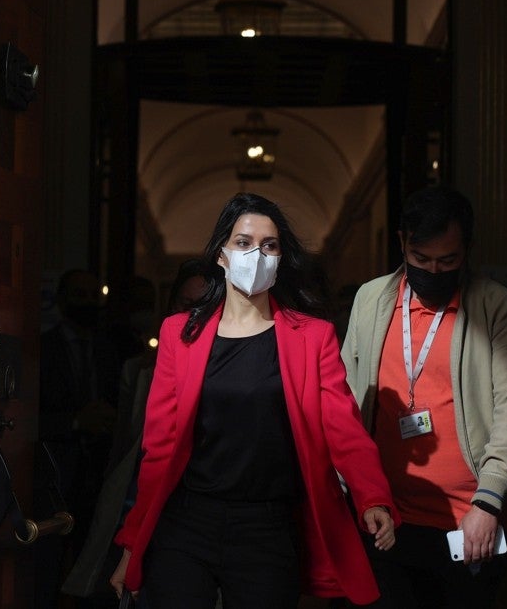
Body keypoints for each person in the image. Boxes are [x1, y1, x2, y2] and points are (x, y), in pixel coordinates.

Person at [109, 192, 400, 608]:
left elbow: (343, 428)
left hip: (266, 526)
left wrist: (372, 497)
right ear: (221, 255)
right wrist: (131, 545)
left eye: (270, 245)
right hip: (187, 521)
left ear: (281, 258)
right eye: (244, 243)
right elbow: (159, 447)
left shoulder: (312, 337)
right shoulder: (180, 334)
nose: (257, 255)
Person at [341, 186, 507, 608]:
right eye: (421, 260)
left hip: (469, 522)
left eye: (447, 260)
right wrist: (352, 491)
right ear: (401, 244)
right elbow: (347, 401)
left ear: (468, 250)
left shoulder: (497, 309)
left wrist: (489, 502)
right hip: (386, 517)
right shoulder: (371, 300)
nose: (434, 270)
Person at [60, 258, 212, 602]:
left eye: (205, 307)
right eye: (187, 306)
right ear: (172, 307)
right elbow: (125, 447)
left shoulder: (236, 376)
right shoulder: (139, 371)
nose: (194, 318)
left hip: (201, 515)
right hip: (140, 507)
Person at [37, 268, 122, 607]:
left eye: (93, 297)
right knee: (48, 566)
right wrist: (75, 422)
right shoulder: (44, 349)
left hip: (100, 476)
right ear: (61, 300)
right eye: (79, 296)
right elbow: (31, 416)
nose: (87, 304)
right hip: (56, 475)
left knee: (96, 567)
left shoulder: (108, 350)